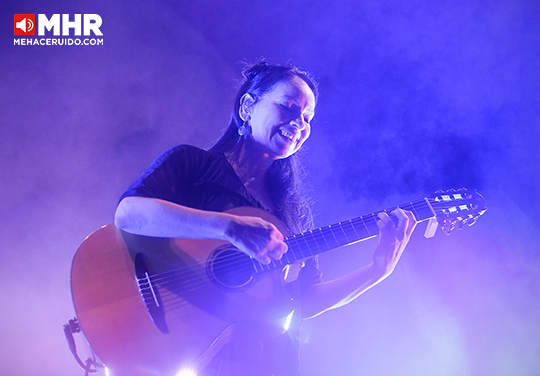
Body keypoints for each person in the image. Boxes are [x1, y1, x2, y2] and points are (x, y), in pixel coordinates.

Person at [114, 62, 417, 375]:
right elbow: (129, 214)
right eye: (289, 107)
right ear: (247, 106)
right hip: (176, 342)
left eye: (308, 118)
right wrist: (228, 227)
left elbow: (305, 300)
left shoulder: (292, 216)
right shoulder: (193, 163)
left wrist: (377, 271)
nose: (299, 122)